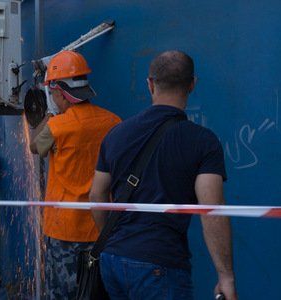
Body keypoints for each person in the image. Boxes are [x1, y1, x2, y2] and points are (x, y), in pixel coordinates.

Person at [89, 50, 237, 300]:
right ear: (192, 84)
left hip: (112, 260)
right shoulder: (203, 142)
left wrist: (116, 239)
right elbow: (212, 211)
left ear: (150, 84)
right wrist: (226, 276)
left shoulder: (116, 134)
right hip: (160, 265)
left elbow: (96, 194)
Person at [29, 50, 120, 299]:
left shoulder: (57, 126)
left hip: (64, 231)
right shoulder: (112, 122)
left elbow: (35, 146)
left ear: (58, 92)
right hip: (101, 228)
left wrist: (49, 113)